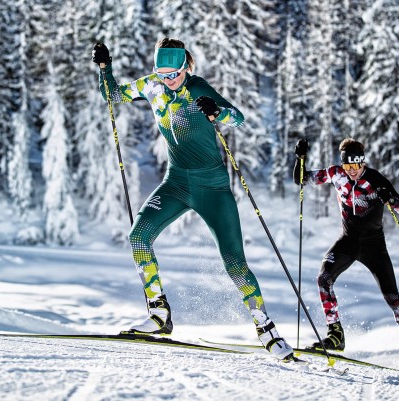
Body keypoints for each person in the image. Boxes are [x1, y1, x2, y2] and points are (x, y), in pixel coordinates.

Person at [93, 38, 295, 361]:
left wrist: (217, 111)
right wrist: (106, 69)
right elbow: (112, 96)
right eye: (163, 74)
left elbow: (237, 117)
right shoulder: (153, 87)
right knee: (139, 237)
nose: (169, 80)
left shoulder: (198, 88)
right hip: (176, 183)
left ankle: (265, 325)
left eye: (174, 73)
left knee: (234, 263)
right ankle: (159, 313)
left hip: (213, 187)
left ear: (186, 67)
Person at [292, 137, 399, 370]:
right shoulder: (336, 174)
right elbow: (301, 179)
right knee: (323, 279)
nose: (353, 171)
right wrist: (299, 158)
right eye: (348, 166)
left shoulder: (375, 179)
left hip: (374, 246)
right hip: (348, 241)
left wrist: (392, 198)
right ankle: (336, 334)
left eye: (356, 166)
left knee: (394, 300)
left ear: (363, 162)